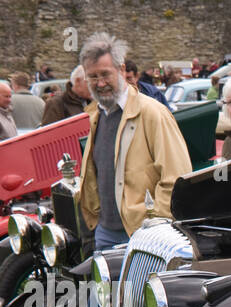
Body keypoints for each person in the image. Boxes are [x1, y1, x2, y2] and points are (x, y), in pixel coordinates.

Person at [78, 32, 191, 250]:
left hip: (143, 234)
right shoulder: (97, 115)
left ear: (121, 70)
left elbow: (177, 176)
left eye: (105, 74)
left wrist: (154, 222)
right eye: (93, 77)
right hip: (105, 232)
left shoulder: (152, 113)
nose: (100, 83)